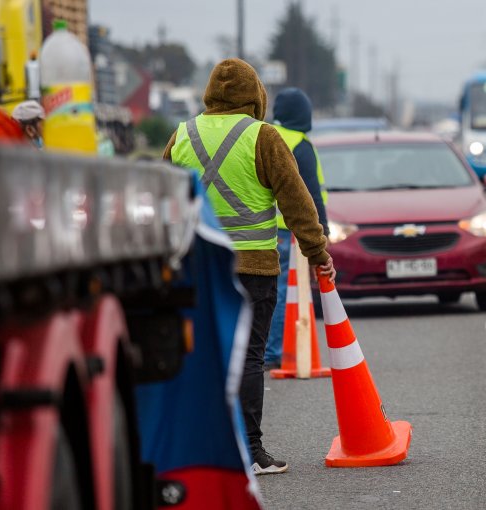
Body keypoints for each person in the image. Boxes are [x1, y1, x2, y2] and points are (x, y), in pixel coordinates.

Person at [162, 58, 335, 476]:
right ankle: (250, 448)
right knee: (250, 357)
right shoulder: (263, 136)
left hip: (199, 269)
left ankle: (202, 448)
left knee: (203, 356)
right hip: (254, 266)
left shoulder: (181, 134)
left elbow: (160, 198)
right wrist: (318, 254)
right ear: (256, 96)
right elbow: (297, 203)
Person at [264, 87, 329, 369]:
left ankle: (259, 349)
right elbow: (311, 195)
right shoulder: (301, 145)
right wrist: (321, 232)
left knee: (265, 292)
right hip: (290, 232)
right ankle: (272, 352)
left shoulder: (265, 136)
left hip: (262, 228)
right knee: (282, 294)